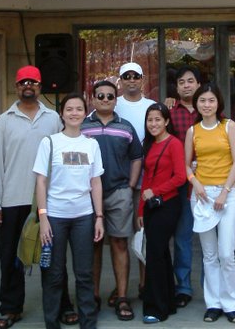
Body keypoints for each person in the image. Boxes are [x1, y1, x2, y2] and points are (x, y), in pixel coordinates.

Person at [0, 65, 77, 329]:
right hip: (11, 200)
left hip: (47, 201)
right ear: (16, 87)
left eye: (33, 82)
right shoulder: (4, 121)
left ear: (40, 86)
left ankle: (62, 306)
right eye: (23, 82)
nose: (28, 86)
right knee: (10, 258)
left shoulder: (53, 119)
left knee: (54, 258)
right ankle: (10, 308)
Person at [34, 93, 104, 329]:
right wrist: (43, 217)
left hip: (84, 217)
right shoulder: (50, 142)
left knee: (84, 273)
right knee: (54, 274)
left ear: (85, 113)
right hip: (55, 217)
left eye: (79, 109)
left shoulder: (91, 144)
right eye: (69, 109)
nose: (74, 113)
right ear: (61, 114)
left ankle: (88, 322)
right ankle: (52, 322)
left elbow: (96, 182)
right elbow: (41, 181)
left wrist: (99, 217)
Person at [81, 80, 142, 320]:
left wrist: (130, 186)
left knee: (120, 244)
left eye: (110, 96)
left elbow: (136, 157)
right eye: (100, 96)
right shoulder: (83, 126)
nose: (105, 100)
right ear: (92, 99)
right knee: (93, 245)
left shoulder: (125, 127)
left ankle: (123, 297)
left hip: (118, 192)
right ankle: (94, 296)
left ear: (116, 100)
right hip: (88, 195)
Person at [185, 83, 235, 323]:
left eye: (211, 100)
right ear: (196, 104)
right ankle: (214, 304)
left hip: (226, 193)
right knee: (209, 255)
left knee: (226, 253)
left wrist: (225, 192)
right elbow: (187, 165)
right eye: (202, 101)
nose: (207, 105)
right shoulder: (193, 131)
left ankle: (232, 304)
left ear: (218, 103)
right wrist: (195, 183)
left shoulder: (229, 126)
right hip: (201, 196)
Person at [138, 103, 186, 323]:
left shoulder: (174, 143)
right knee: (161, 253)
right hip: (150, 206)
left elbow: (180, 177)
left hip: (167, 205)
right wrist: (140, 209)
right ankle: (168, 302)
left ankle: (156, 309)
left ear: (167, 121)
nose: (153, 124)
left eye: (158, 119)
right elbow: (146, 178)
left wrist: (155, 191)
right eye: (150, 120)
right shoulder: (149, 144)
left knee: (155, 254)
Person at [115, 61, 155, 297]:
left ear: (142, 79)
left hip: (147, 182)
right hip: (119, 183)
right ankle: (120, 290)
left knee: (144, 235)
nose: (131, 80)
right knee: (119, 239)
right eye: (126, 76)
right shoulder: (111, 104)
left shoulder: (152, 106)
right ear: (120, 81)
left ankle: (145, 285)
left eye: (135, 76)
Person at [169, 65, 201, 307]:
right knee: (182, 237)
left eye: (190, 81)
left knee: (213, 241)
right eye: (181, 82)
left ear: (198, 84)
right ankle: (183, 287)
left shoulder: (210, 109)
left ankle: (215, 287)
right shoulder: (170, 113)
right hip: (180, 183)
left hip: (209, 181)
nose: (186, 85)